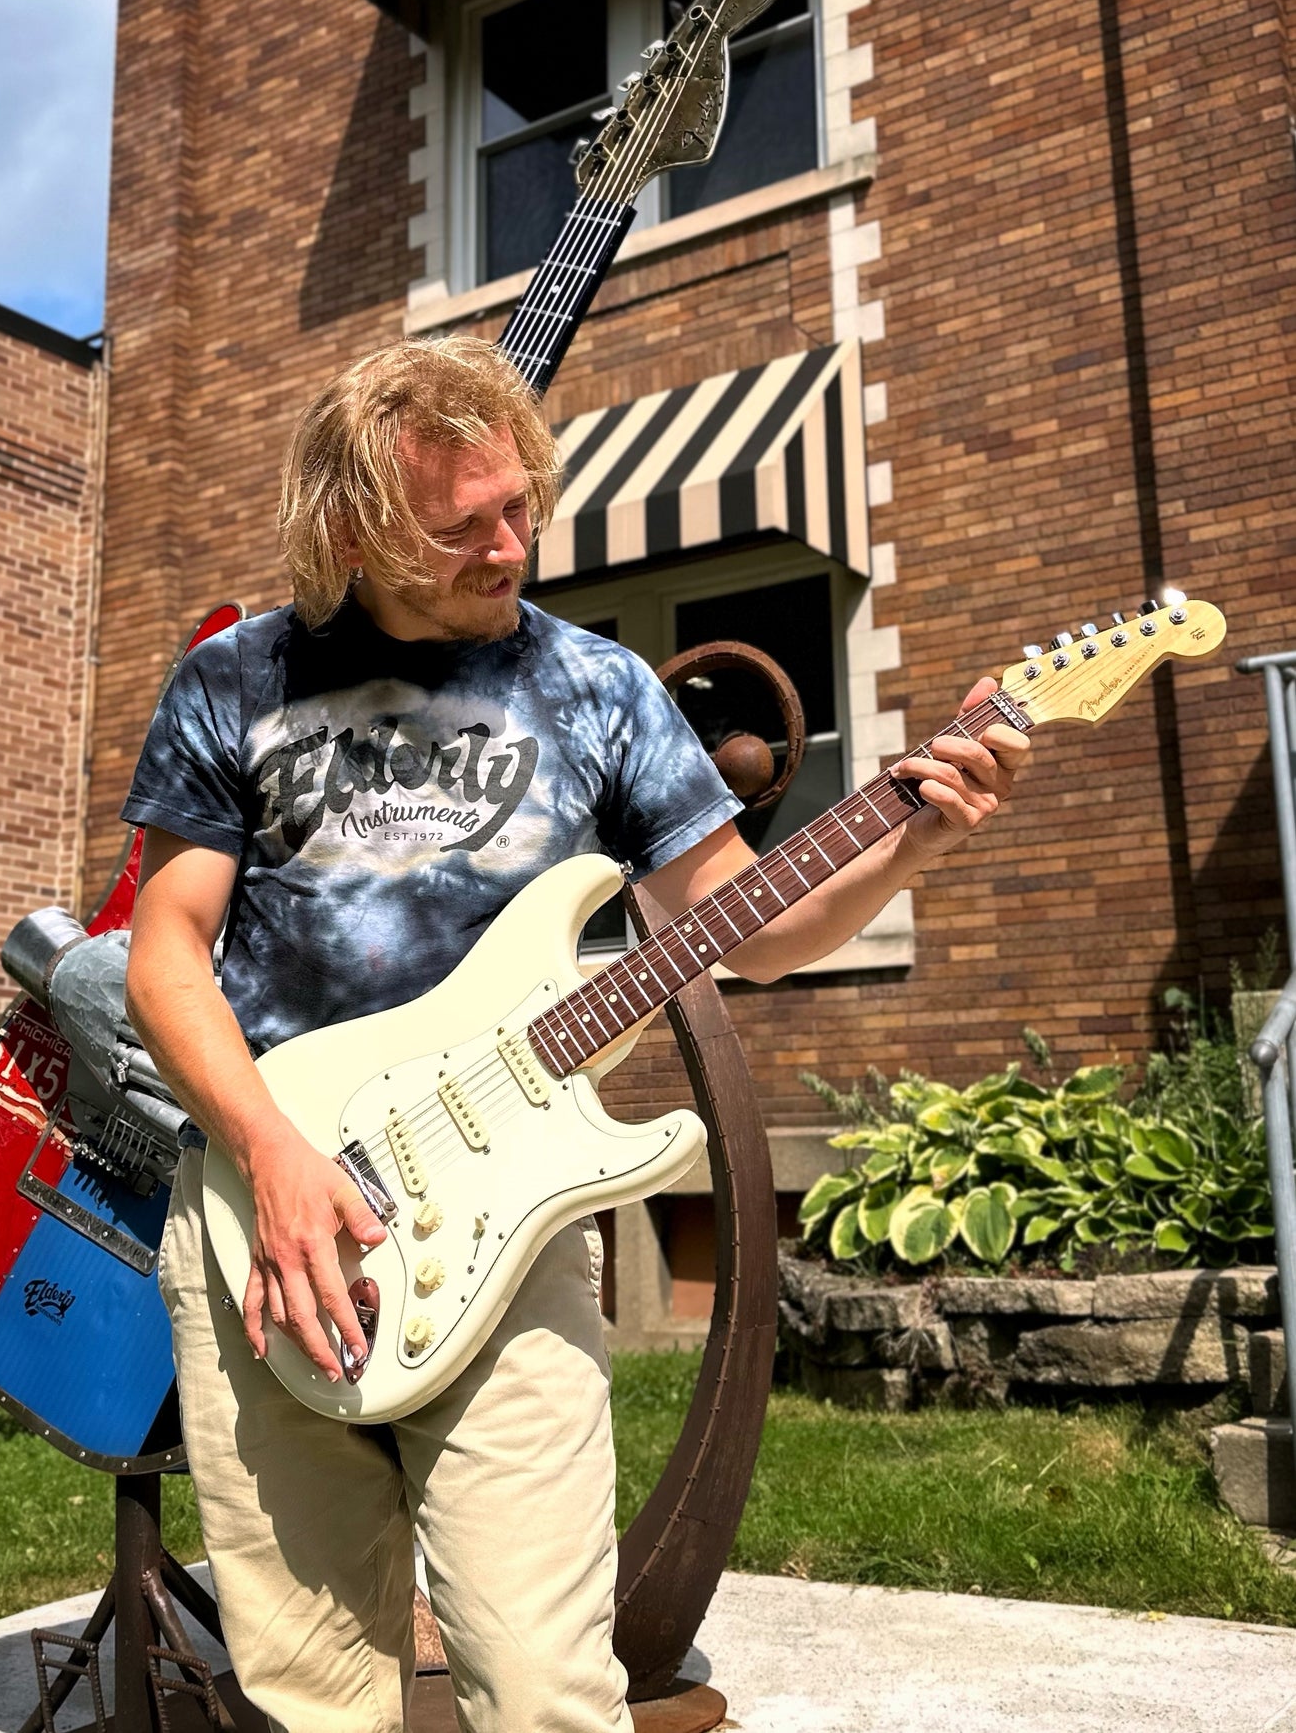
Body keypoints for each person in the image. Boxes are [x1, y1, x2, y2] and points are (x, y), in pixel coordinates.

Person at [123, 334, 1028, 1731]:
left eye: (520, 504)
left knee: (550, 1686)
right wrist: (271, 1148)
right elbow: (166, 944)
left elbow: (751, 923)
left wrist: (911, 833)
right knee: (311, 1694)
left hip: (510, 1225)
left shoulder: (595, 689)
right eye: (462, 525)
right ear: (355, 526)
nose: (511, 545)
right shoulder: (236, 680)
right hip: (266, 1217)